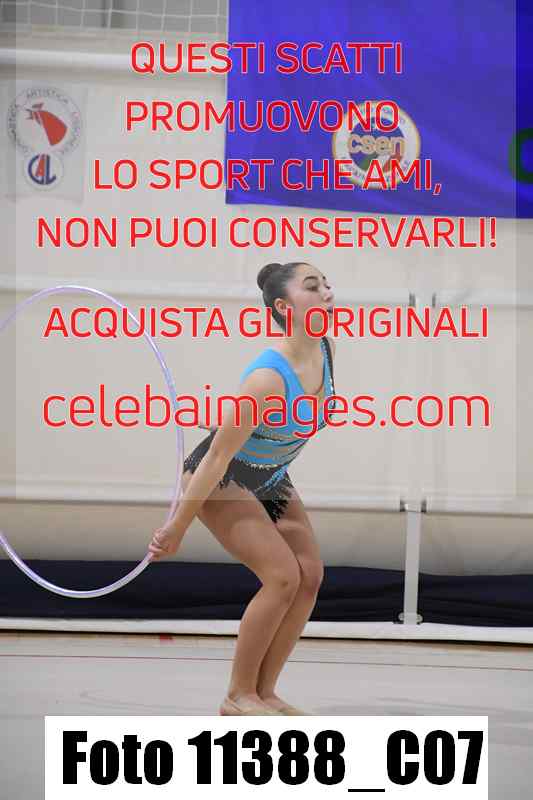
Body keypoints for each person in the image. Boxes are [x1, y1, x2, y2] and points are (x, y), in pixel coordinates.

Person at [147, 261, 337, 716]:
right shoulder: (266, 378)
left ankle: (264, 692)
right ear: (284, 307)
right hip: (223, 478)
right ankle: (237, 694)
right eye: (313, 287)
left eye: (327, 284)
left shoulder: (326, 350)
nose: (328, 293)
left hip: (268, 475)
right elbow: (216, 457)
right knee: (282, 576)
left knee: (310, 575)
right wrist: (177, 526)